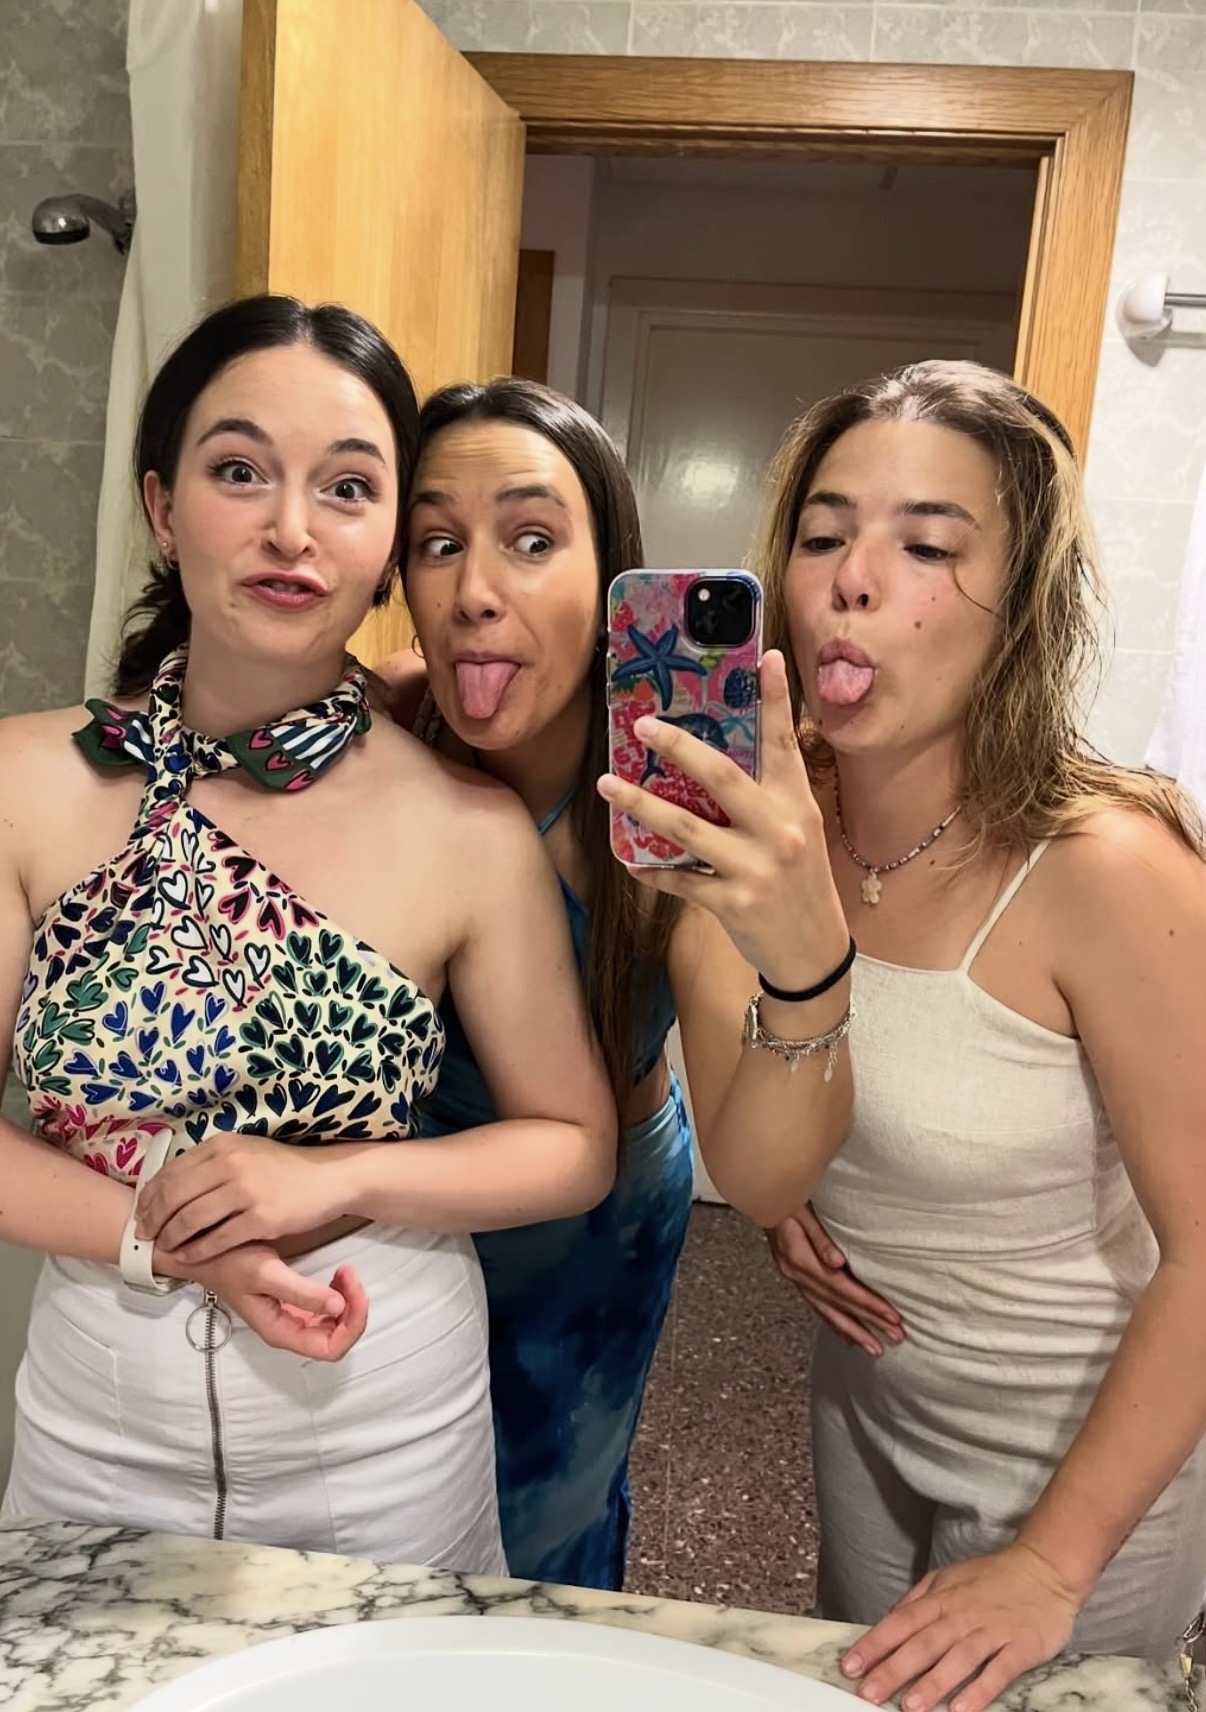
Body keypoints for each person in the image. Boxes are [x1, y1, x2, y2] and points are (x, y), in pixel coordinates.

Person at [0, 296, 616, 1571]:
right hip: (96, 1412)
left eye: (347, 487)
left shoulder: (467, 825)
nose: (291, 528)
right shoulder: (22, 781)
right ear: (163, 507)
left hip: (383, 1417)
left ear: (388, 546)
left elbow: (572, 1143)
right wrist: (166, 1238)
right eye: (240, 471)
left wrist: (335, 1178)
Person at [746, 359, 1206, 1711]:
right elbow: (787, 1051)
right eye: (823, 535)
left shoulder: (1107, 870)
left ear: (1023, 608)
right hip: (869, 1400)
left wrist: (1054, 1565)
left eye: (927, 545)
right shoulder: (783, 819)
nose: (852, 579)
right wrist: (788, 1187)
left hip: (1081, 1462)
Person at [377, 377, 854, 1589]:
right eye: (437, 542)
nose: (475, 589)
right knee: (381, 1528)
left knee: (542, 1523)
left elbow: (758, 1160)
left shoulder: (664, 804)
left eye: (533, 539)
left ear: (611, 585)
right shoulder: (382, 732)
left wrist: (804, 964)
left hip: (587, 1242)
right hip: (398, 1209)